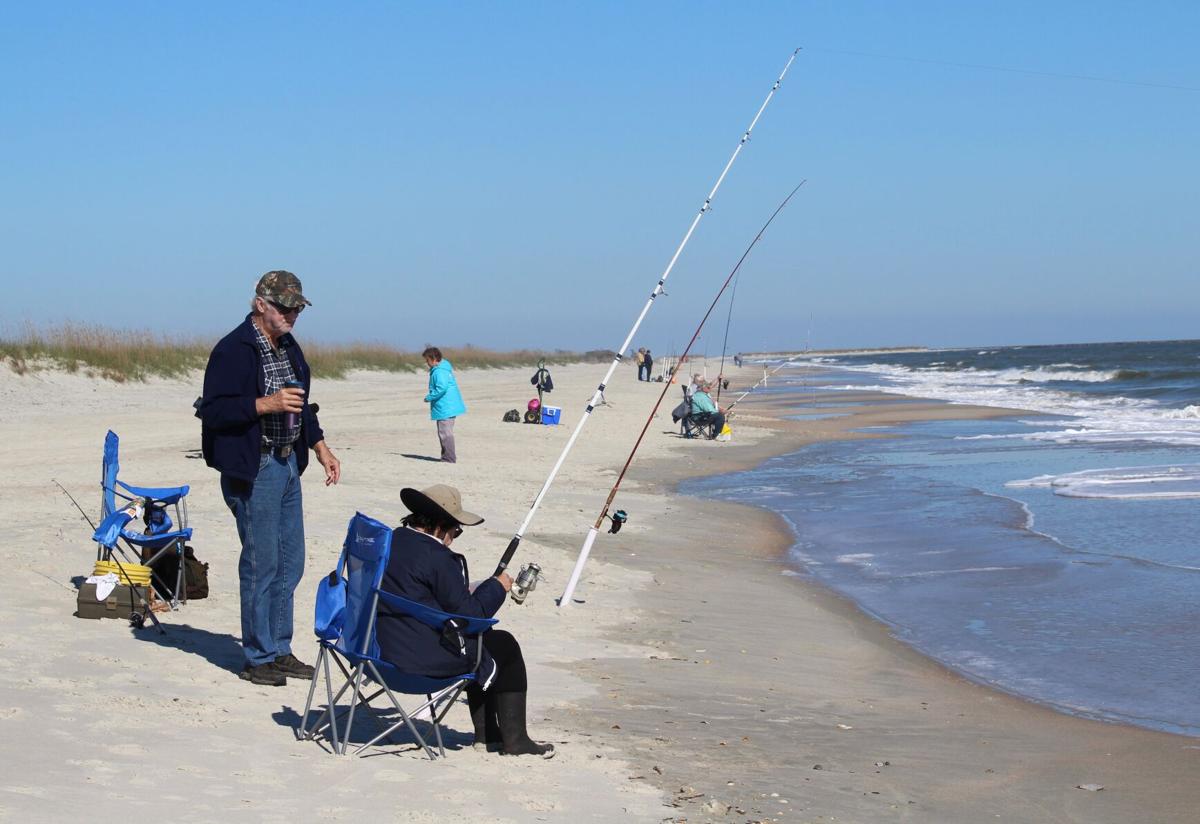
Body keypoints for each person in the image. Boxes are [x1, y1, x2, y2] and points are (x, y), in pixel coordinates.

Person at [200, 270, 341, 686]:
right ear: (260, 304)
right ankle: (257, 656)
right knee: (262, 563)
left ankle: (279, 649)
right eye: (284, 306)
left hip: (287, 463)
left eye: (297, 306)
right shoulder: (233, 350)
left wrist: (320, 447)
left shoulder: (290, 347)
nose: (292, 313)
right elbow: (215, 412)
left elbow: (303, 406)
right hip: (253, 466)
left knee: (291, 562)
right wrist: (266, 404)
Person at [377, 484, 555, 758]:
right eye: (455, 531)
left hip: (377, 650)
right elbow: (471, 616)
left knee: (480, 642)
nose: (454, 538)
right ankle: (516, 740)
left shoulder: (388, 541)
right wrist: (497, 587)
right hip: (418, 663)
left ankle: (488, 737)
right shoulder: (437, 557)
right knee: (502, 644)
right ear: (438, 525)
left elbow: (418, 593)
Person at [423, 346, 466, 463]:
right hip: (450, 405)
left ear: (434, 359)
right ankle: (446, 456)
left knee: (445, 433)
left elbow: (441, 388)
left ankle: (449, 458)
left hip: (445, 406)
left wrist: (429, 397)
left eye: (427, 360)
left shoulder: (439, 371)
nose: (426, 363)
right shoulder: (443, 368)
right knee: (446, 432)